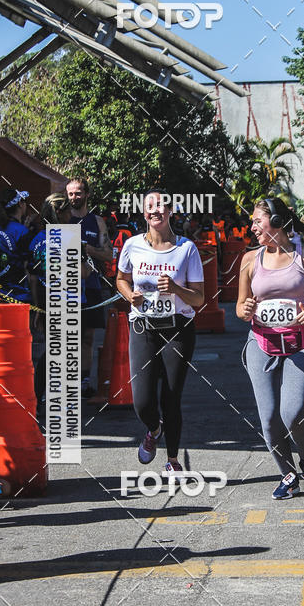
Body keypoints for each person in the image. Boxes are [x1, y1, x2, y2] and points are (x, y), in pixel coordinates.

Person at [236, 196, 304, 500]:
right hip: (261, 344)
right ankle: (288, 474)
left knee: (292, 412)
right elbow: (240, 308)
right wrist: (246, 309)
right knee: (269, 418)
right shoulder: (249, 261)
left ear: (277, 223)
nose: (252, 226)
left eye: (258, 220)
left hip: (299, 344)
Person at [116, 190, 204, 473]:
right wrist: (130, 295)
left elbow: (199, 299)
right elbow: (121, 279)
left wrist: (176, 289)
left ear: (170, 212)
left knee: (171, 396)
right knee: (142, 401)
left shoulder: (186, 249)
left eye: (161, 206)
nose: (156, 211)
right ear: (144, 213)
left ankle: (173, 461)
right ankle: (154, 431)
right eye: (150, 206)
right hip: (144, 327)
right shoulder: (132, 245)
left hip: (177, 329)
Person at [29, 193, 92, 407]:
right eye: (68, 211)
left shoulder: (37, 239)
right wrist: (87, 259)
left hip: (47, 302)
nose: (71, 215)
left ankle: (39, 397)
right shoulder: (69, 237)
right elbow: (83, 273)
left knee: (52, 351)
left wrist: (38, 308)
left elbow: (34, 278)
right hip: (69, 302)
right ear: (60, 212)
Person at [67, 177, 113, 397]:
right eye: (70, 194)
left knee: (87, 337)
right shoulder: (62, 221)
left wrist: (88, 250)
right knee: (67, 338)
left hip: (92, 286)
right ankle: (67, 382)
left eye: (78, 193)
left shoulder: (97, 222)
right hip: (66, 289)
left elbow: (108, 254)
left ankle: (84, 382)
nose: (74, 197)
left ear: (86, 194)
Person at [0, 188, 35, 303]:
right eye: (24, 201)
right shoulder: (22, 232)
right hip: (20, 296)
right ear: (20, 204)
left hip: (0, 294)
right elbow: (29, 268)